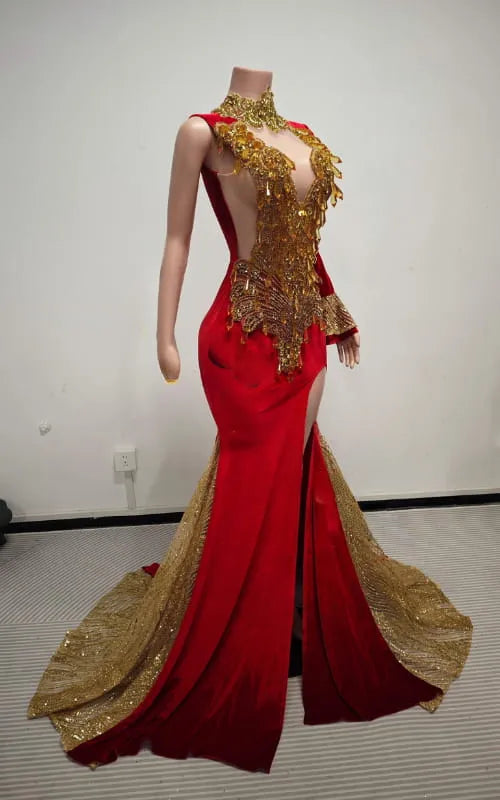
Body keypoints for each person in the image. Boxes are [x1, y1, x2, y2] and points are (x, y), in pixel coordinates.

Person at [27, 66, 473, 774]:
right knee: (250, 488)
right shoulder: (204, 133)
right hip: (241, 338)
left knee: (294, 479)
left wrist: (337, 311)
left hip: (307, 341)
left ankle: (295, 616)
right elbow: (177, 239)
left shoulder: (302, 136)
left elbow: (305, 244)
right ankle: (240, 632)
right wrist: (163, 336)